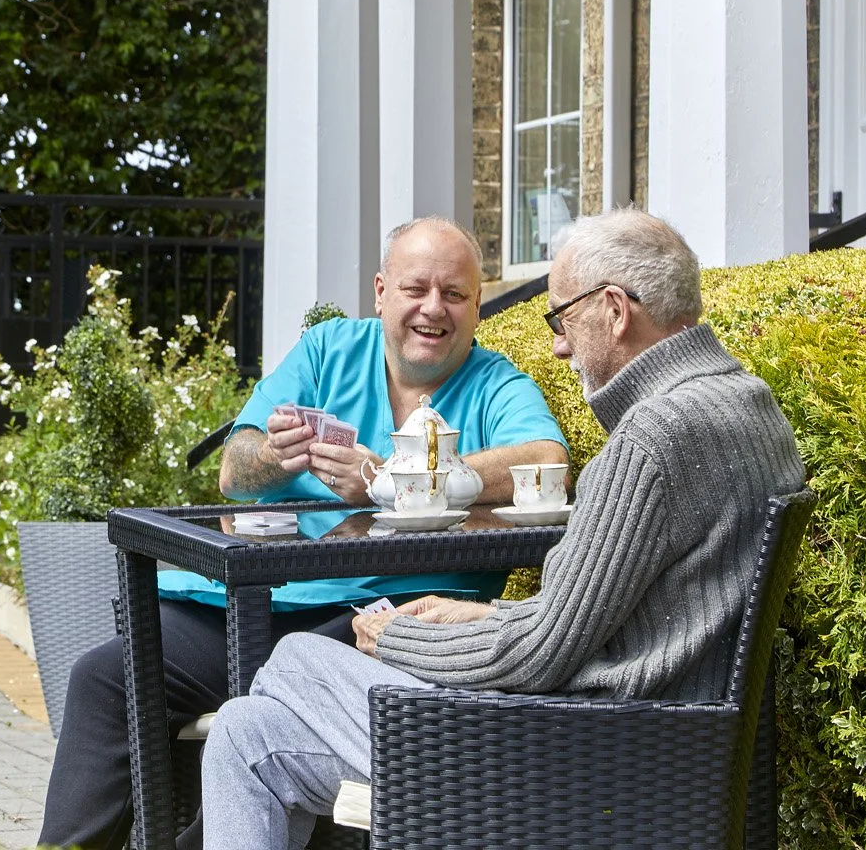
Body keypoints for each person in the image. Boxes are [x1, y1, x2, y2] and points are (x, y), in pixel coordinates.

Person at [197, 208, 808, 850]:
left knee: (296, 661)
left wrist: (399, 637)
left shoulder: (653, 440)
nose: (559, 345)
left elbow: (542, 652)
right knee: (248, 730)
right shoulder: (748, 405)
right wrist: (478, 618)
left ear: (614, 310)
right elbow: (593, 615)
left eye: (562, 318)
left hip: (577, 758)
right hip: (664, 743)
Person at [37, 217, 569, 850]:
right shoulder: (328, 351)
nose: (434, 309)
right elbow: (236, 469)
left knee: (266, 704)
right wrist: (273, 456)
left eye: (454, 294)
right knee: (104, 677)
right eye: (415, 289)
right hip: (256, 601)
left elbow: (546, 462)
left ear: (477, 305)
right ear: (380, 293)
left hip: (383, 621)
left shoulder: (494, 384)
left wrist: (395, 479)